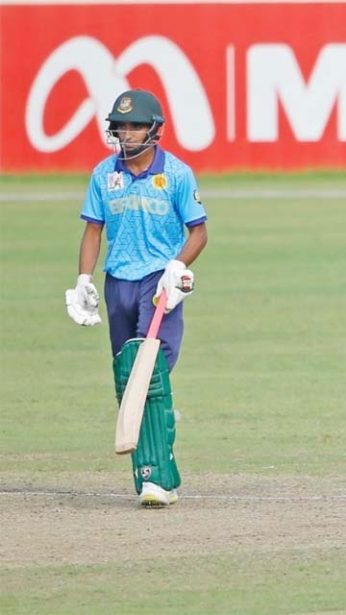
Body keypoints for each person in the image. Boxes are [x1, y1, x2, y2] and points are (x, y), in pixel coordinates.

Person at [65, 89, 208, 507]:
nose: (126, 133)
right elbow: (93, 229)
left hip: (158, 281)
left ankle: (157, 480)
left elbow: (198, 231)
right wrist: (83, 280)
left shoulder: (177, 175)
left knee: (151, 371)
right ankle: (154, 470)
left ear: (154, 130)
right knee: (128, 374)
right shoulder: (103, 175)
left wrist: (176, 267)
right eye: (120, 126)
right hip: (118, 282)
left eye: (134, 126)